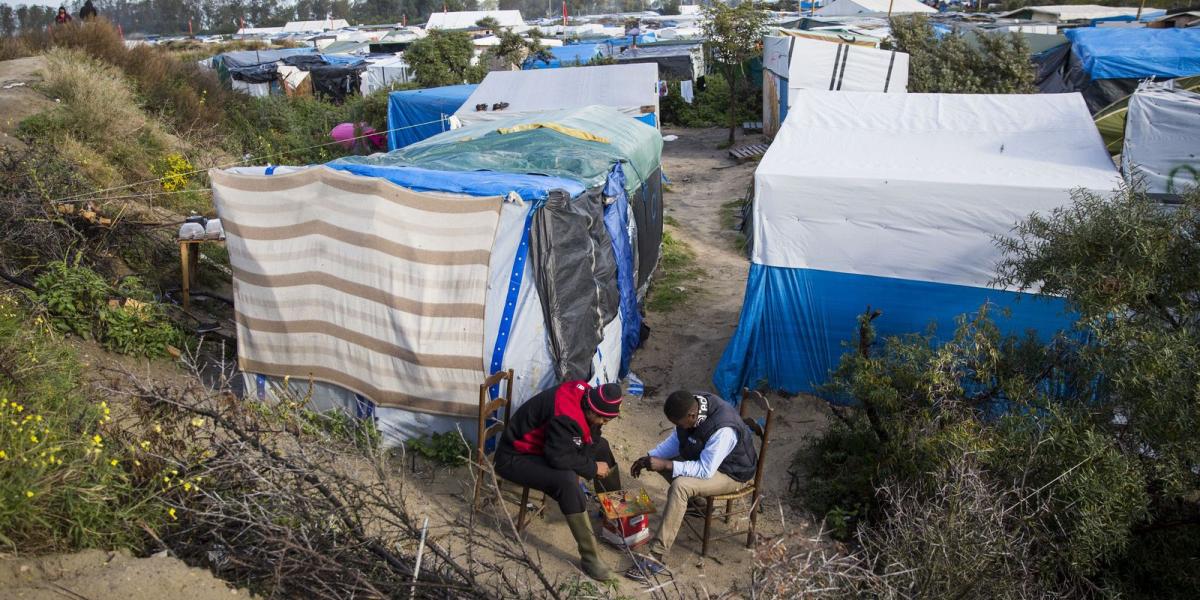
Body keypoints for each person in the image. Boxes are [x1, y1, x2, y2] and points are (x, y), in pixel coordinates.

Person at [495, 381, 624, 581]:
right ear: (591, 407)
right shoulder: (566, 416)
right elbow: (558, 457)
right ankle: (591, 558)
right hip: (514, 456)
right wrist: (591, 467)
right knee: (567, 481)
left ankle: (617, 511)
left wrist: (591, 458)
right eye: (602, 419)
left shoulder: (586, 394)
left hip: (545, 446)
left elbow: (590, 436)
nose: (602, 423)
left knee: (602, 447)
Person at [625, 390, 758, 582]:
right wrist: (650, 457)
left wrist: (666, 464)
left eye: (678, 423)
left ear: (691, 416)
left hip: (732, 472)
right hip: (711, 461)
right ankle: (699, 505)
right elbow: (676, 440)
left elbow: (705, 470)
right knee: (658, 461)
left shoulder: (723, 429)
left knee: (680, 485)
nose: (677, 427)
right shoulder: (692, 404)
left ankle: (657, 555)